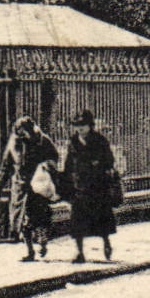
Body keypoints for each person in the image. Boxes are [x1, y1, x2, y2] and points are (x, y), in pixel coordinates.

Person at [0, 116, 60, 262]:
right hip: (20, 185)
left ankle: (42, 242)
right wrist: (0, 181)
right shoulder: (14, 143)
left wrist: (47, 166)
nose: (21, 135)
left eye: (24, 131)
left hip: (38, 184)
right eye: (18, 132)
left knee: (39, 217)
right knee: (22, 220)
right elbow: (6, 163)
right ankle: (29, 251)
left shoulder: (43, 140)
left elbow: (54, 157)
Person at [61, 109, 117, 263]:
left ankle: (106, 244)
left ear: (90, 125)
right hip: (79, 187)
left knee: (101, 219)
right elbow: (68, 164)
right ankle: (79, 252)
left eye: (83, 125)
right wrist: (67, 184)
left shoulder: (99, 140)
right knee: (77, 221)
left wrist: (98, 164)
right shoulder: (73, 142)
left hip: (97, 187)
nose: (80, 128)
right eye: (77, 125)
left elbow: (109, 161)